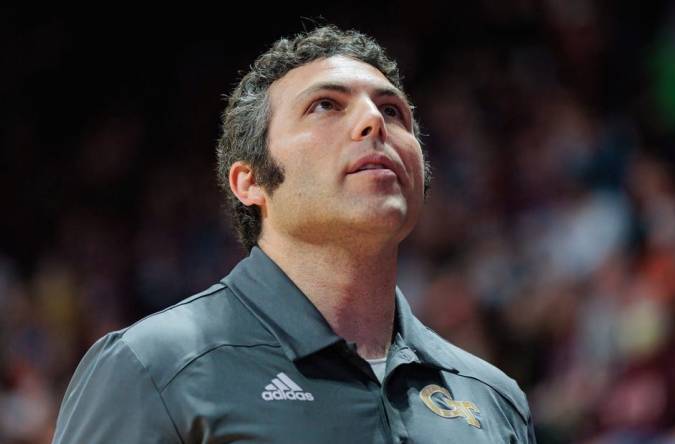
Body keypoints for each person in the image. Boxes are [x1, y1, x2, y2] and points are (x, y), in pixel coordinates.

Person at [53, 25, 536, 443]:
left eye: (392, 112)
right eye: (326, 105)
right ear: (251, 181)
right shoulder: (153, 367)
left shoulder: (492, 397)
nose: (373, 121)